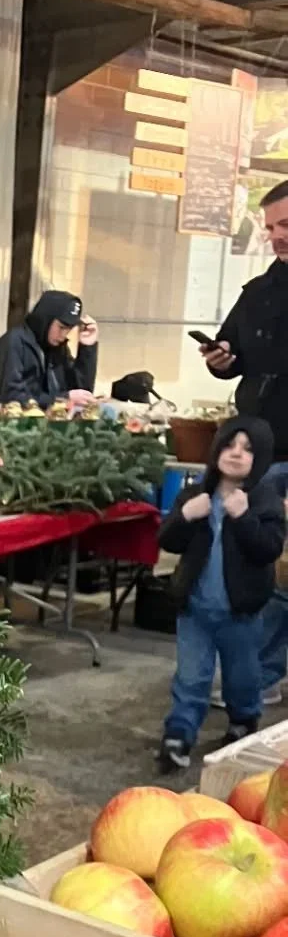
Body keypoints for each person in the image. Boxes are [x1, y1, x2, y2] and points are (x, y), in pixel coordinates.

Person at [200, 180, 288, 707]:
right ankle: (252, 671)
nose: (277, 236)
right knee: (251, 565)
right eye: (271, 226)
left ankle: (263, 671)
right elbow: (229, 354)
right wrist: (221, 359)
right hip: (261, 453)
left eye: (287, 224)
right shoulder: (257, 292)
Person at [156, 416, 284, 773]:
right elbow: (167, 539)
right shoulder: (196, 495)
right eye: (230, 444)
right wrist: (184, 516)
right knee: (191, 676)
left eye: (247, 449)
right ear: (216, 449)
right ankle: (179, 734)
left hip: (241, 613)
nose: (236, 453)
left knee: (242, 676)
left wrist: (244, 518)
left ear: (260, 457)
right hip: (195, 610)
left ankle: (243, 719)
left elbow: (269, 548)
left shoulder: (264, 501)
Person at [0, 290, 99, 409]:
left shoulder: (57, 349)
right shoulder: (14, 343)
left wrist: (87, 349)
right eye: (61, 327)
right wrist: (62, 399)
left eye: (69, 329)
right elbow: (10, 399)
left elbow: (81, 394)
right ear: (46, 319)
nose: (64, 335)